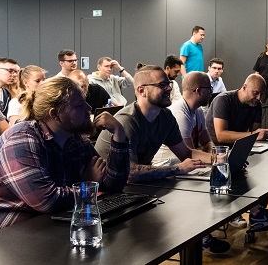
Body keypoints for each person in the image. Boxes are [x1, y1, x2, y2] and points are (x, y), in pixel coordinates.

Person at [0, 76, 130, 237]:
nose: (88, 108)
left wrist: (119, 135)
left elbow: (112, 185)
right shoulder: (22, 138)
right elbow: (47, 200)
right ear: (54, 114)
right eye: (79, 106)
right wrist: (86, 187)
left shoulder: (74, 140)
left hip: (33, 231)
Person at [93, 64, 230, 254]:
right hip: (108, 193)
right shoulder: (127, 121)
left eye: (168, 84)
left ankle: (198, 240)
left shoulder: (165, 117)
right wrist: (176, 169)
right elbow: (130, 173)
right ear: (142, 90)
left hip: (136, 187)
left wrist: (220, 158)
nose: (169, 88)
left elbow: (187, 153)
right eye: (162, 85)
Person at [205, 73, 268, 231]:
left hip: (237, 150)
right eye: (255, 93)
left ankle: (256, 213)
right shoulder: (223, 100)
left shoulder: (256, 105)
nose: (259, 97)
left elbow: (255, 134)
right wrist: (254, 136)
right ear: (244, 87)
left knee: (265, 172)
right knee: (243, 173)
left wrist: (262, 135)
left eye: (262, 94)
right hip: (214, 152)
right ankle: (244, 212)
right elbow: (221, 135)